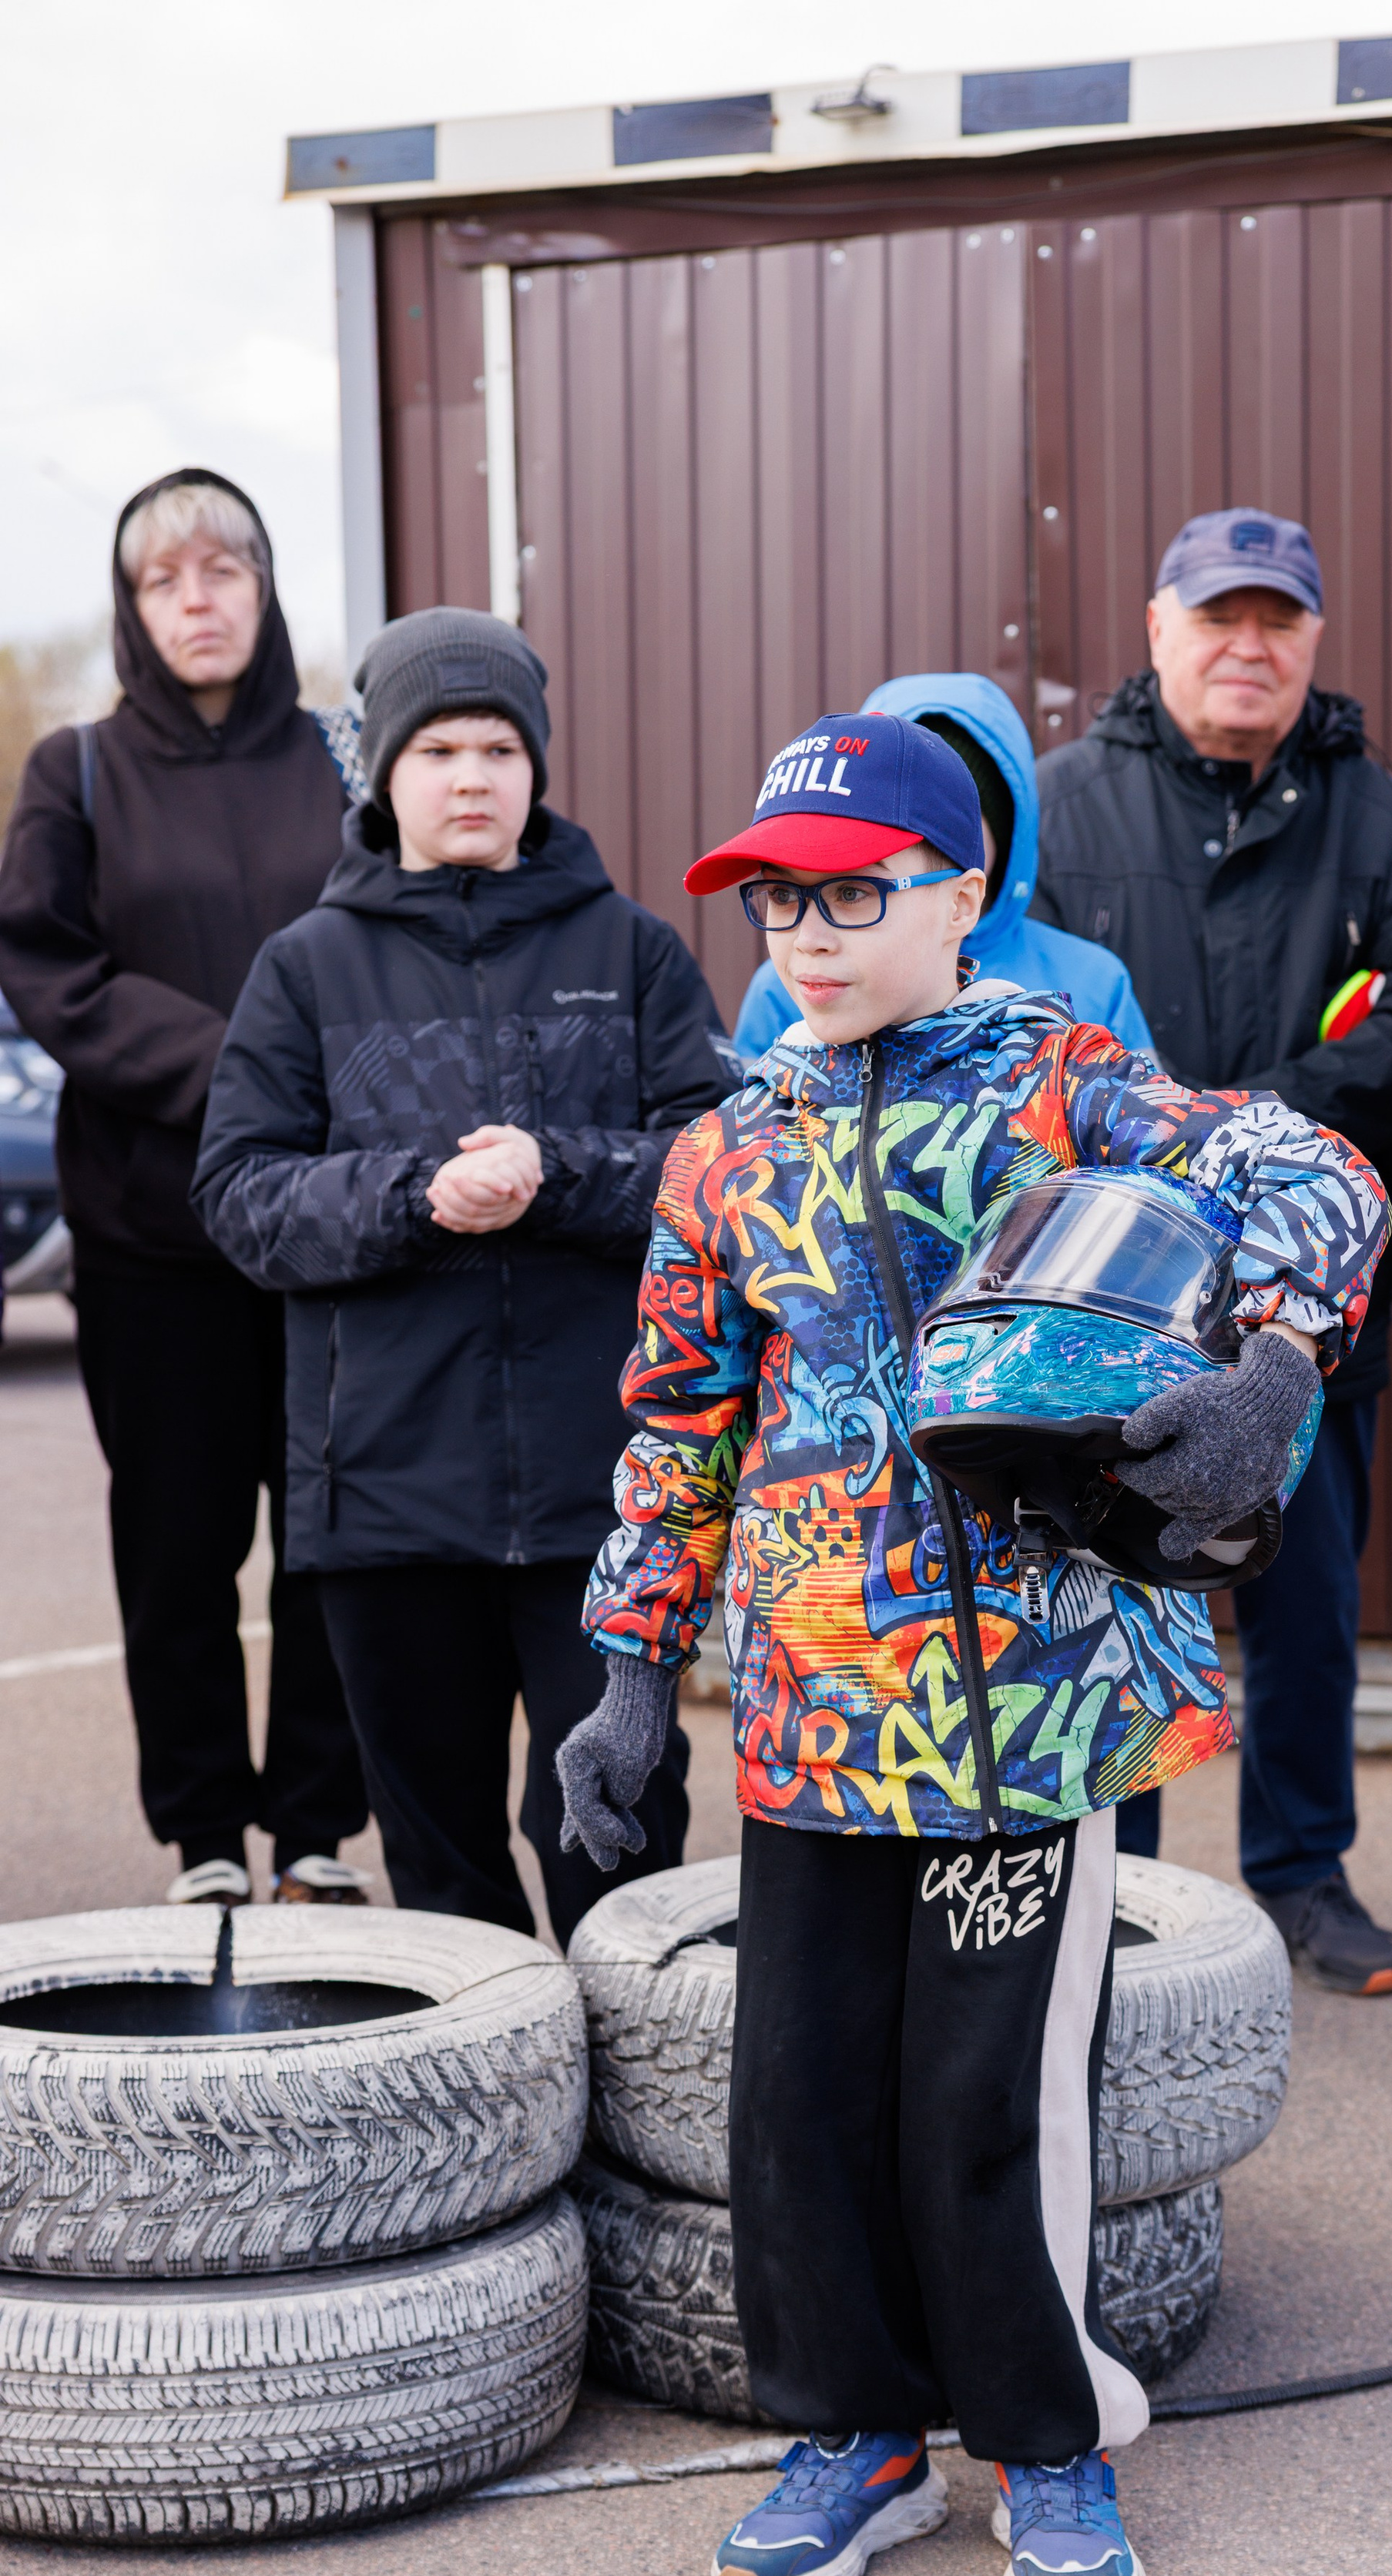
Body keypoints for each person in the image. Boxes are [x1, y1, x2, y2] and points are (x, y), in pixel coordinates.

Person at [557, 708, 1390, 2576]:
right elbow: (677, 1418)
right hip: (811, 1706)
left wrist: (1266, 1366)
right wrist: (626, 1664)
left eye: (853, 893)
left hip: (1039, 1705)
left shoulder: (1063, 1080)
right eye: (775, 901)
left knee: (986, 2092)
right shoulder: (721, 1155)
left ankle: (1041, 2445)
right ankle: (847, 2439)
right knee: (801, 2087)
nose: (809, 934)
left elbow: (1318, 1175)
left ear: (961, 897)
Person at [193, 608, 727, 1948]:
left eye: (500, 744)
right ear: (382, 770)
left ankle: (631, 2130)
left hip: (605, 1497)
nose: (472, 775)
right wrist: (418, 1194)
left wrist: (559, 1171)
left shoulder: (634, 952)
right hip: (385, 1497)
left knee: (617, 1834)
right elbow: (240, 1197)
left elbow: (720, 1172)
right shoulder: (302, 971)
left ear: (540, 766)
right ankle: (496, 2151)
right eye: (436, 747)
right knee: (443, 1880)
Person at [1032, 509, 1392, 1991]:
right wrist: (1165, 1152)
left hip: (1311, 1290)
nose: (1249, 645)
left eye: (1278, 620)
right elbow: (1028, 1019)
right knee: (1107, 1578)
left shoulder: (1374, 813)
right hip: (1109, 1282)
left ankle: (1303, 1875)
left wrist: (1255, 1129)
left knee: (1305, 1593)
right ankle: (1114, 1877)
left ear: (1313, 643)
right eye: (1220, 617)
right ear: (1159, 631)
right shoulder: (1064, 804)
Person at [0, 469, 368, 1910]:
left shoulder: (346, 761)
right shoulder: (73, 772)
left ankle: (321, 1830)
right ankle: (207, 1832)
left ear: (266, 592)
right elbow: (49, 972)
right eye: (166, 579)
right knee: (177, 1542)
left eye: (225, 569)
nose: (198, 599)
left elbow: (392, 942)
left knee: (331, 1536)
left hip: (327, 1227)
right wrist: (246, 1063)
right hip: (153, 1235)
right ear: (132, 609)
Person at [731, 672, 1152, 1061]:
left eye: (853, 893)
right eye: (783, 895)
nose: (811, 939)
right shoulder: (787, 987)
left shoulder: (1091, 983)